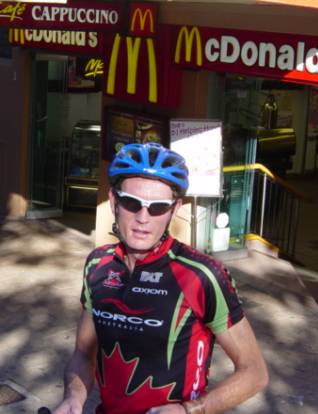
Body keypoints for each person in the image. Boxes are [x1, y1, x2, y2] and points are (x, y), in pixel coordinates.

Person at [54, 143, 268, 414]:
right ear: (114, 201)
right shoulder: (98, 264)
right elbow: (84, 354)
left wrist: (190, 410)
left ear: (174, 209)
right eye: (132, 203)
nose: (143, 218)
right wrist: (74, 398)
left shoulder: (201, 275)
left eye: (157, 207)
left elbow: (254, 373)